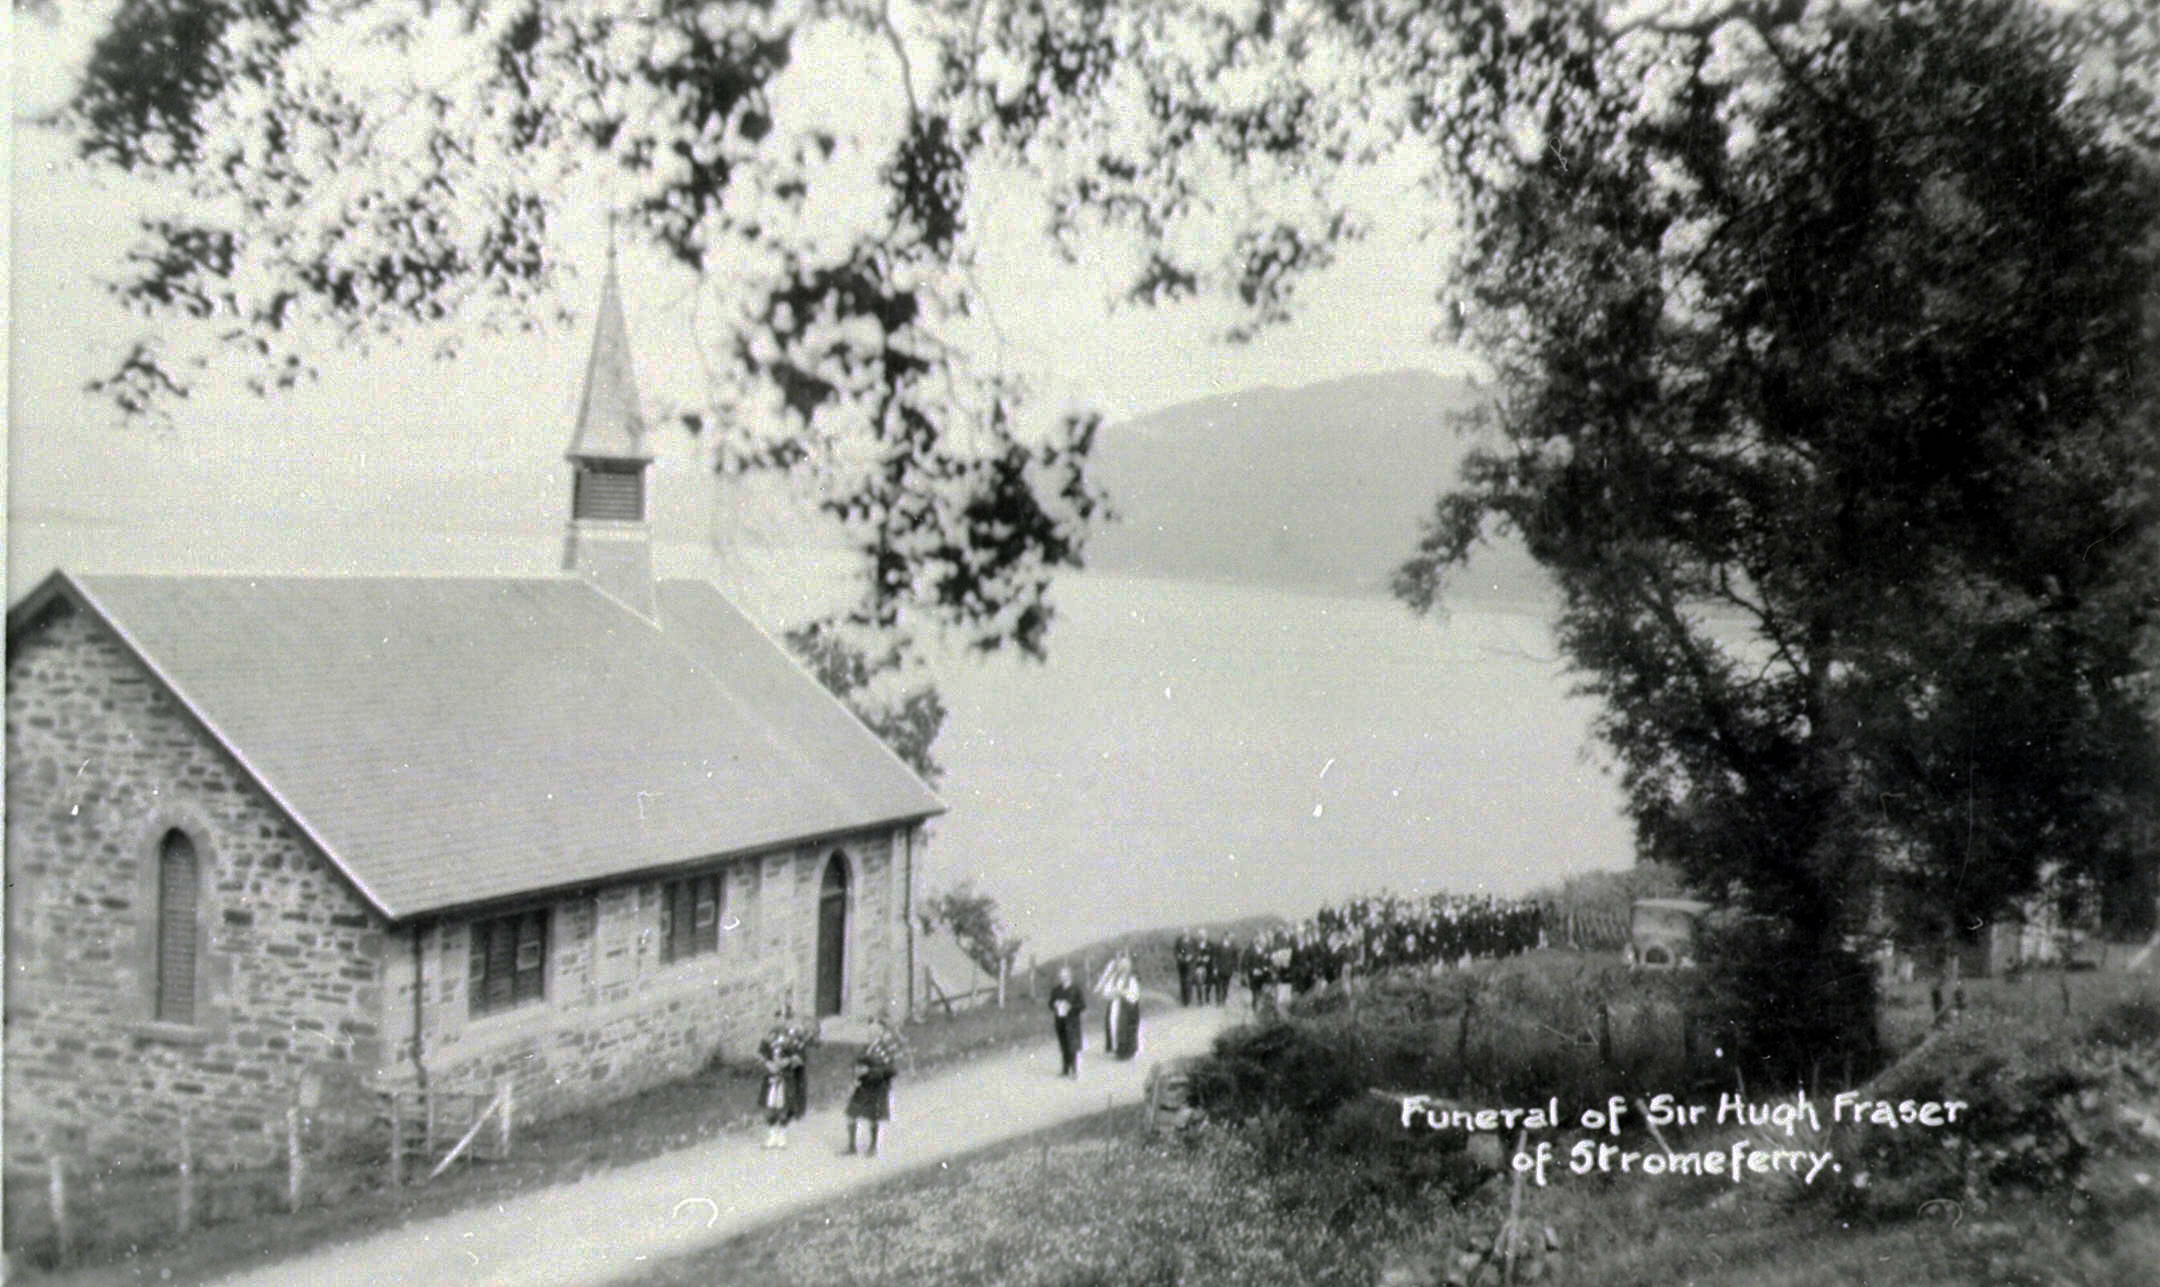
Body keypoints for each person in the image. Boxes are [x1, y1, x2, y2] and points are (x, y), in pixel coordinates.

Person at [844, 1011, 906, 1158]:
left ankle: (873, 1146)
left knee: (874, 1117)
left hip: (878, 1087)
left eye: (874, 1032)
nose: (870, 1034)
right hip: (862, 1086)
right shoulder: (866, 1048)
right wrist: (856, 1072)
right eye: (869, 1032)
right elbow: (856, 1063)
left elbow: (891, 1070)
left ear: (880, 1033)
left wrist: (869, 1072)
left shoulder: (885, 1049)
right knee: (851, 1114)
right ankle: (851, 1146)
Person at [756, 1004, 812, 1148]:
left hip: (787, 1076)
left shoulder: (794, 1039)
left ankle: (782, 1135)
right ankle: (771, 1135)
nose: (780, 1021)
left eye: (784, 1018)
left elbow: (800, 1058)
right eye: (777, 1018)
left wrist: (787, 1062)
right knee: (770, 1106)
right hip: (771, 1076)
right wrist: (768, 1064)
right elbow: (760, 1055)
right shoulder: (769, 1037)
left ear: (788, 1020)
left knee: (784, 1106)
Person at [1048, 964, 1087, 1077]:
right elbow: (1050, 1003)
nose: (1063, 977)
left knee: (1073, 1045)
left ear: (1070, 976)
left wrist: (1071, 1007)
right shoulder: (1056, 990)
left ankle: (1075, 1070)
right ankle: (1065, 1069)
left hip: (1072, 1021)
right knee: (1063, 1044)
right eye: (1061, 976)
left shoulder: (1076, 989)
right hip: (1060, 1020)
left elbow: (1082, 1005)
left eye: (1065, 975)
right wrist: (1055, 1004)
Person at [1107, 957, 1142, 1060]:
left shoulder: (1132, 979)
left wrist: (1122, 992)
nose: (1122, 968)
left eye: (1125, 966)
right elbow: (1108, 992)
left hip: (1128, 1007)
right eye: (1121, 966)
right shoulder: (1114, 979)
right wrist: (1112, 993)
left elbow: (1134, 995)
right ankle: (1119, 1050)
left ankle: (1128, 1051)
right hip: (1116, 1005)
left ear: (1129, 967)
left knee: (1127, 1028)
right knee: (1115, 1026)